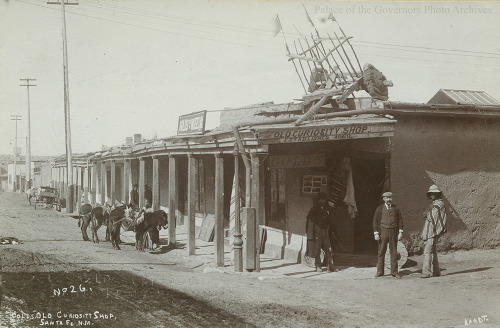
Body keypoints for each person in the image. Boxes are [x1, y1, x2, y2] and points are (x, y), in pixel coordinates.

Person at [373, 191, 404, 278]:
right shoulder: (379, 209)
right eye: (387, 198)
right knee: (381, 252)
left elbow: (400, 220)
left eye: (390, 198)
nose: (389, 199)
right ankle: (380, 272)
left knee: (394, 252)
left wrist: (400, 232)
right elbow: (375, 221)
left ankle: (394, 272)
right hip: (383, 232)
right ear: (383, 199)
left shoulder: (396, 209)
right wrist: (376, 233)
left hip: (393, 232)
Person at [421, 184, 447, 278]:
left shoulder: (438, 204)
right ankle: (436, 272)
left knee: (427, 252)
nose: (432, 195)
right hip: (433, 230)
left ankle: (426, 272)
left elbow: (431, 217)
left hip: (432, 231)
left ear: (437, 194)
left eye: (434, 193)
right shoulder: (437, 204)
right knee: (433, 251)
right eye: (431, 193)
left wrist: (427, 212)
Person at [305, 192, 334, 273]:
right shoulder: (314, 210)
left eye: (324, 200)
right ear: (318, 200)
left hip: (325, 232)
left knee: (328, 249)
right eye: (321, 200)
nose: (323, 201)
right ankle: (318, 266)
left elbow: (329, 220)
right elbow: (310, 223)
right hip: (317, 232)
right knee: (317, 250)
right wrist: (310, 234)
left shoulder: (326, 208)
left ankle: (329, 266)